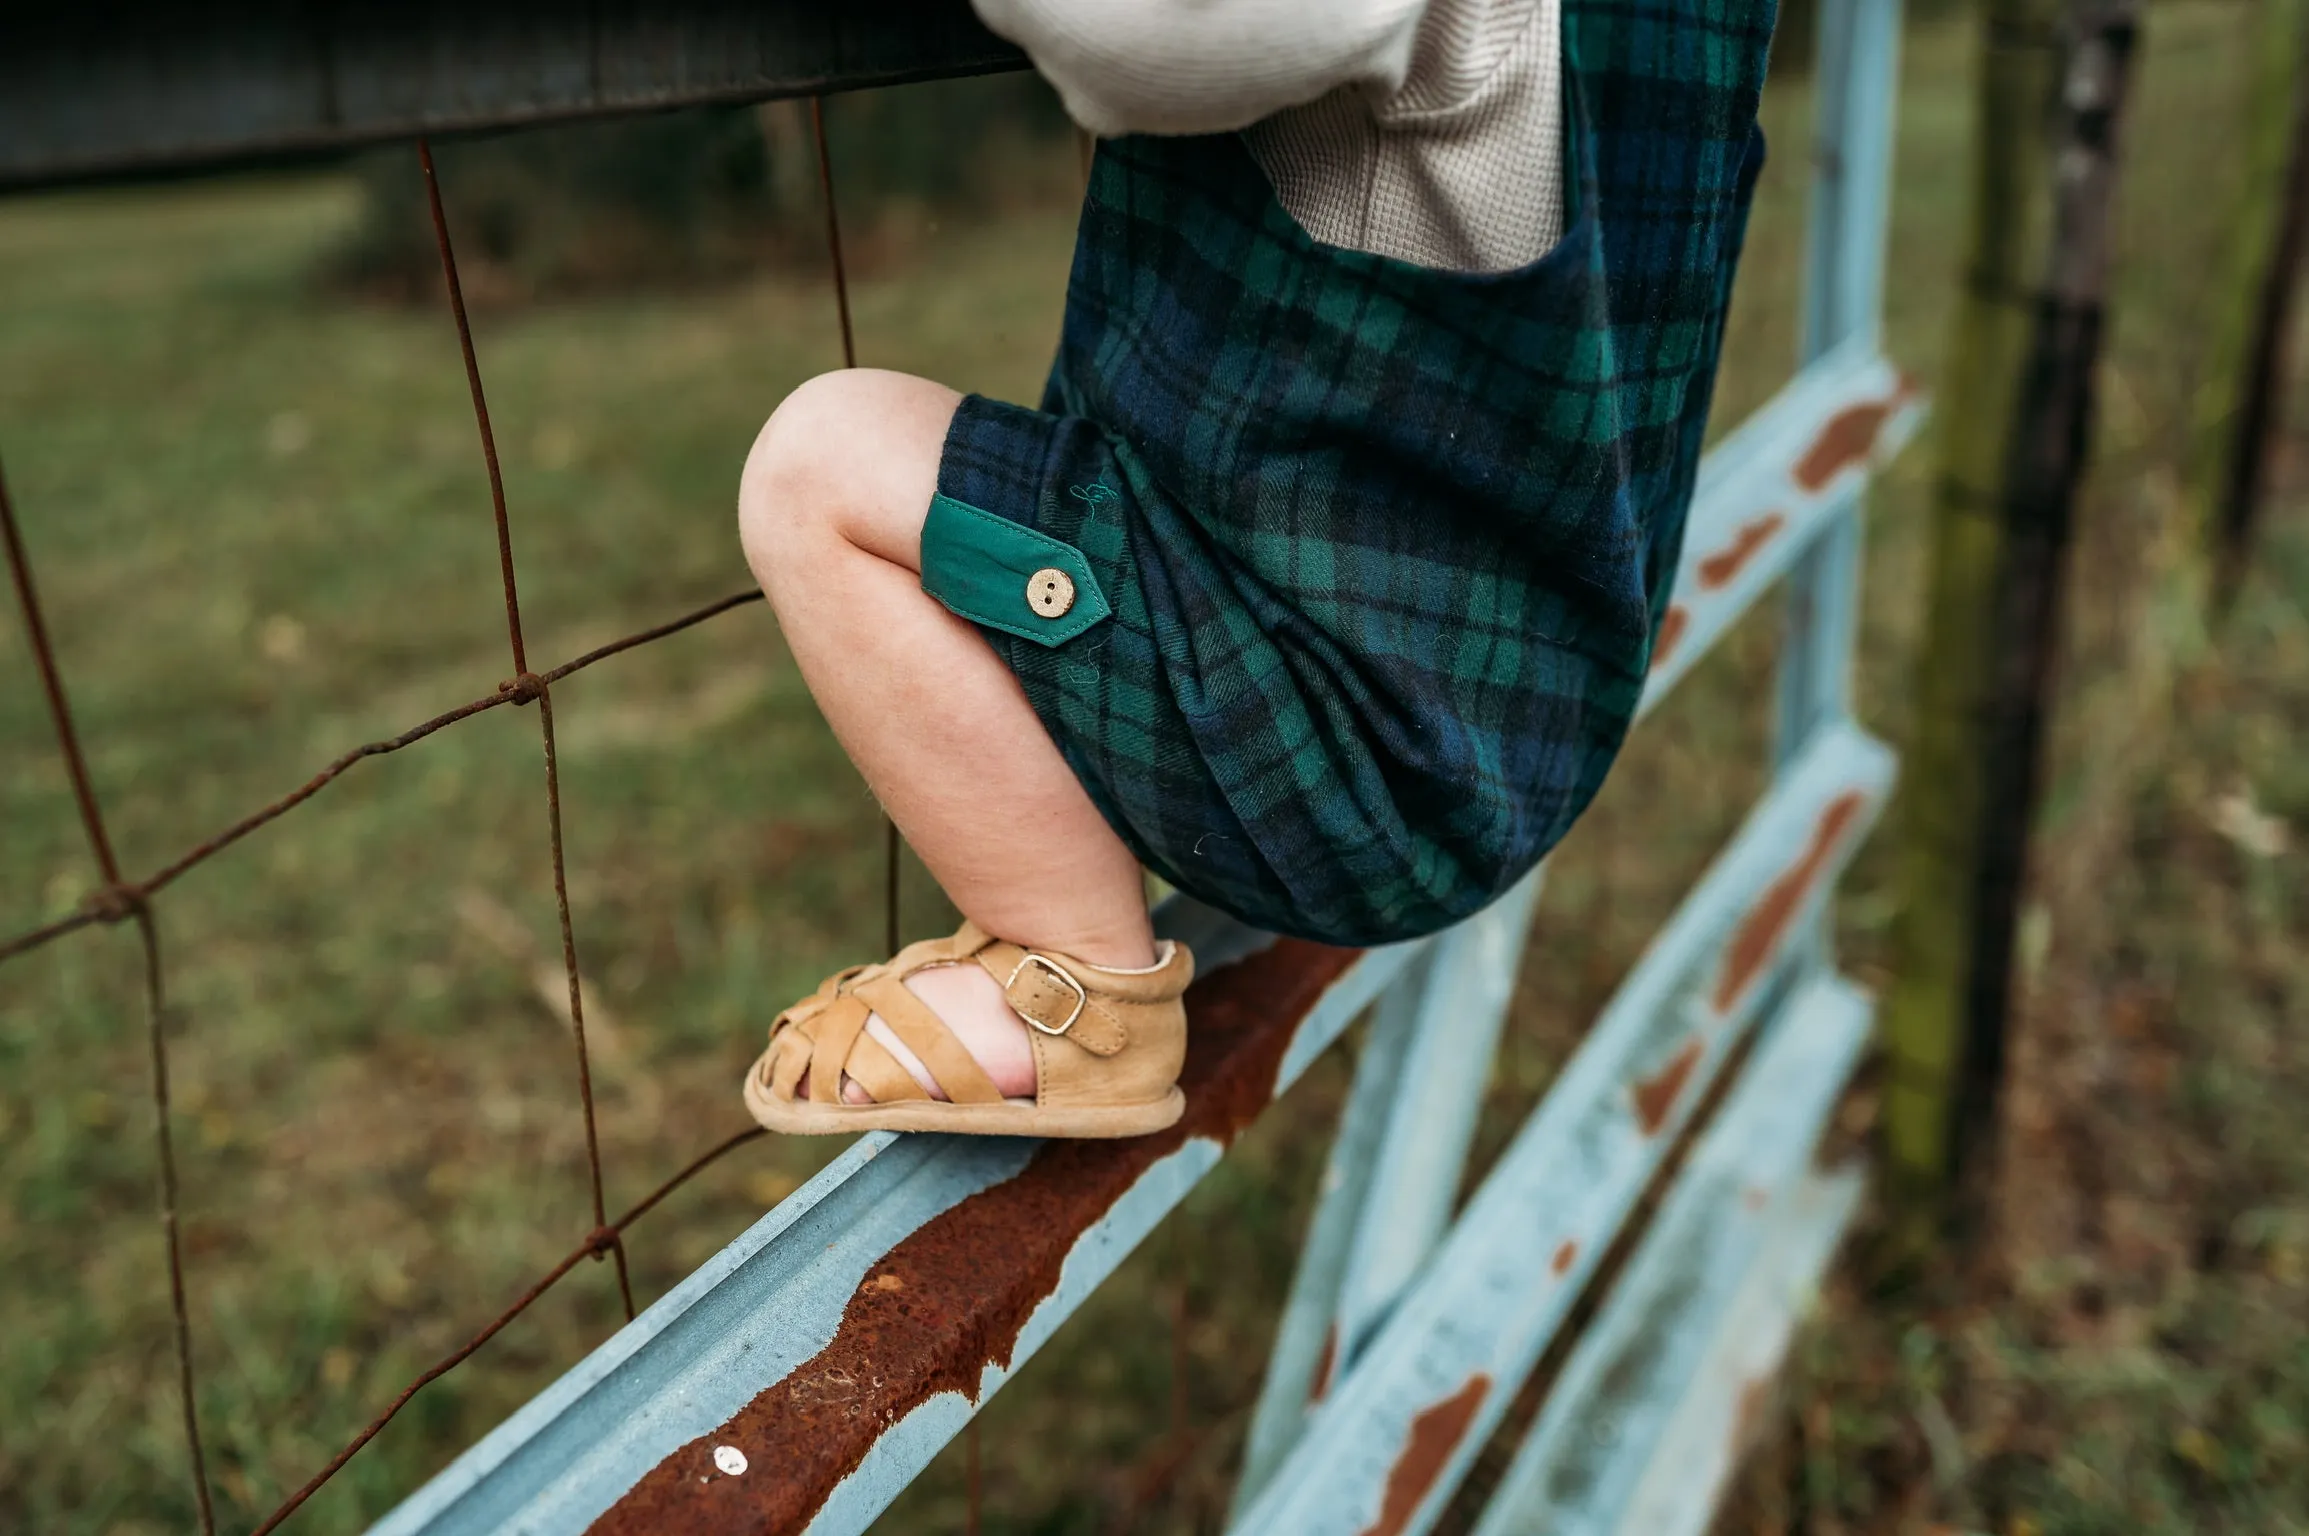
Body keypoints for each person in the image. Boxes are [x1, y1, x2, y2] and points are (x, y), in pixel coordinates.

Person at [737, 0, 1773, 1137]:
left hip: (1335, 744)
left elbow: (1148, 34)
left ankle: (1075, 986)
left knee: (818, 468)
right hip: (1514, 702)